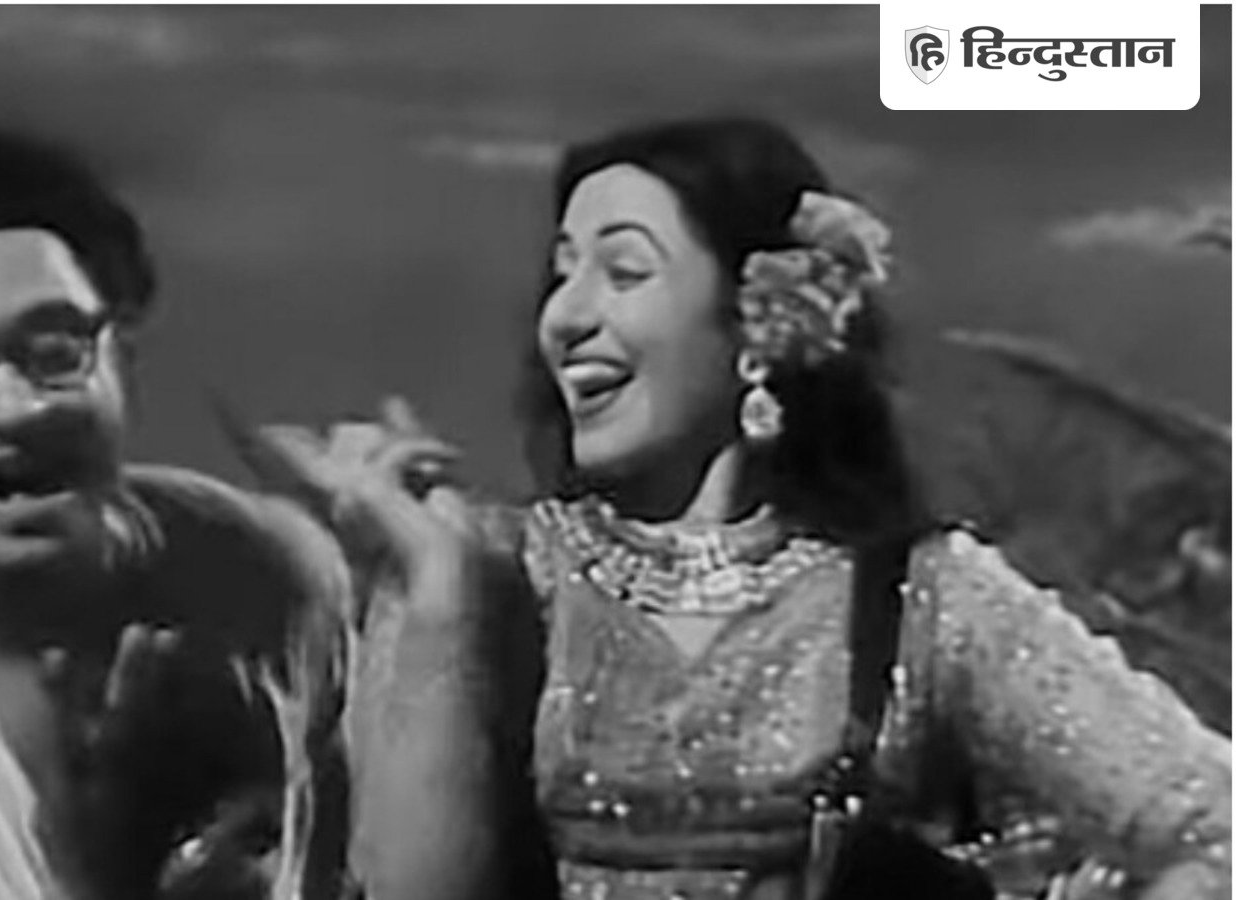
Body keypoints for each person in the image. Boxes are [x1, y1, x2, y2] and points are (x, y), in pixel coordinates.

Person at [250, 117, 1232, 900]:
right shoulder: (498, 575)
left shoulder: (921, 600)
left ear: (759, 321)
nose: (567, 316)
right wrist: (432, 594)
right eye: (561, 271)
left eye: (623, 271)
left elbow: (1218, 830)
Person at [0, 131, 495, 900]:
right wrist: (133, 851)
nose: (18, 409)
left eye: (57, 352)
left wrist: (428, 600)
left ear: (122, 357)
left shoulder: (253, 560)